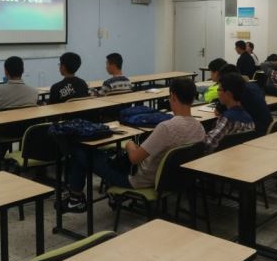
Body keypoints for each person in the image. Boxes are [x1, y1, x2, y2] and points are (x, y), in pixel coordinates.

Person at [63, 78, 205, 212]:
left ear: (172, 96)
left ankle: (76, 198)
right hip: (173, 180)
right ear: (193, 98)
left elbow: (135, 158)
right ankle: (86, 196)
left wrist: (130, 144)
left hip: (139, 180)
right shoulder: (199, 128)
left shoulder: (166, 127)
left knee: (80, 150)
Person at [203, 73, 255, 152]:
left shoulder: (227, 118)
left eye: (219, 89)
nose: (217, 93)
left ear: (228, 93)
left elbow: (208, 144)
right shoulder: (249, 117)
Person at [218, 64, 272, 136]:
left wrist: (220, 107)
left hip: (257, 132)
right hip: (268, 126)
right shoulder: (253, 86)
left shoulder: (240, 92)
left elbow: (227, 108)